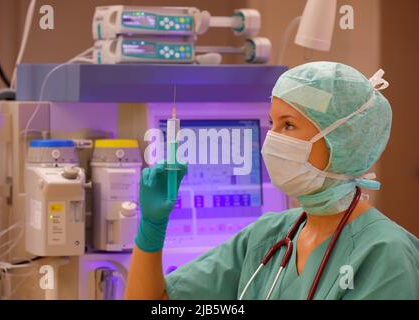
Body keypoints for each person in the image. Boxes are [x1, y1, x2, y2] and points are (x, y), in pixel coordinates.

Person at [125, 61, 419, 300]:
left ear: (342, 141)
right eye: (272, 124)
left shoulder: (385, 254)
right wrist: (151, 230)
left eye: (288, 125)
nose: (272, 140)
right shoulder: (268, 237)